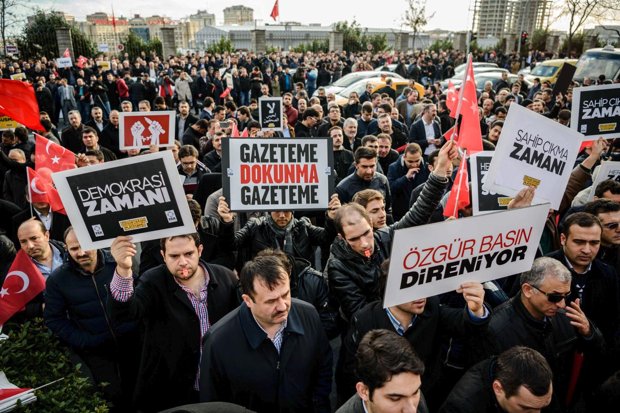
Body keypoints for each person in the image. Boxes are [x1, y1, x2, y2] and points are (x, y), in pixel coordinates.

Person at [326, 141, 457, 321]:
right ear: (341, 237)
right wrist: (403, 303)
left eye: (366, 233)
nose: (365, 243)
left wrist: (440, 169)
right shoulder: (337, 267)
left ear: (371, 225)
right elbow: (360, 315)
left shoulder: (385, 237)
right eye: (354, 239)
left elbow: (418, 214)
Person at [108, 233, 239, 412]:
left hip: (221, 386)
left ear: (200, 251)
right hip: (171, 390)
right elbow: (126, 315)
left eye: (188, 254)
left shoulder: (226, 278)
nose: (183, 262)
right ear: (163, 255)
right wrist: (123, 269)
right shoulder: (153, 281)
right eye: (174, 256)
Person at [337, 259, 489, 409]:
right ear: (389, 291)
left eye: (424, 284)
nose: (421, 295)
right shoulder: (365, 320)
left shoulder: (432, 307)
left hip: (428, 397)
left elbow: (463, 324)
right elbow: (351, 372)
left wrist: (475, 310)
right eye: (410, 289)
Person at [200, 255, 332, 412]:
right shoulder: (218, 342)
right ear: (247, 300)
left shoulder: (309, 315)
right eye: (271, 301)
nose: (283, 306)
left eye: (285, 294)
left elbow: (323, 367)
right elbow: (212, 404)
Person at [484, 257, 605, 410]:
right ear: (528, 290)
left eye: (566, 296)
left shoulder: (567, 317)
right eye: (554, 297)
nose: (561, 304)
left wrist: (589, 333)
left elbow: (598, 358)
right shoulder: (496, 329)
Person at [44, 227, 138, 410]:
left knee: (142, 395)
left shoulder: (118, 264)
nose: (81, 253)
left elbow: (140, 296)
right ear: (67, 249)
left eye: (84, 246)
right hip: (97, 353)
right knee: (113, 401)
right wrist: (84, 340)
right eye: (73, 249)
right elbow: (53, 319)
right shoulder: (58, 280)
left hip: (133, 344)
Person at [216, 194, 341, 265]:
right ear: (269, 211)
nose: (282, 215)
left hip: (299, 281)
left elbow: (326, 238)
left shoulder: (303, 227)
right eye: (277, 210)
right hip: (265, 280)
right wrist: (227, 221)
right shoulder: (255, 226)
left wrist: (331, 218)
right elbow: (230, 245)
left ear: (293, 211)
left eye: (286, 211)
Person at [336, 329, 429, 413]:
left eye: (416, 392)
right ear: (364, 391)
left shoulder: (411, 393)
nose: (412, 410)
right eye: (395, 399)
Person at [439, 346, 553, 413]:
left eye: (544, 406)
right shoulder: (462, 407)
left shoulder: (539, 391)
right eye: (526, 409)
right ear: (498, 388)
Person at [335, 146, 392, 212]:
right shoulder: (343, 188)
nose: (369, 171)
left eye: (372, 166)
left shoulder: (382, 180)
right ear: (356, 165)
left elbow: (388, 209)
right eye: (364, 167)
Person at [387, 143, 429, 221]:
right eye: (410, 161)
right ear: (404, 157)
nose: (414, 165)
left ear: (421, 157)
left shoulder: (426, 168)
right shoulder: (394, 167)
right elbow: (390, 188)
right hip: (400, 214)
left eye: (417, 161)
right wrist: (405, 177)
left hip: (421, 212)